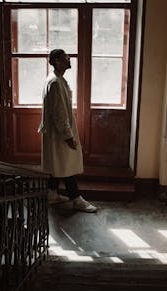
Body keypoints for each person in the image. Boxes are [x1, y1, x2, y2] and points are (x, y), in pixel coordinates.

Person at [38, 49, 97, 213]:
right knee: (66, 165)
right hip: (59, 133)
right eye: (65, 57)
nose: (69, 59)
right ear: (57, 61)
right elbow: (59, 113)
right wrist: (68, 136)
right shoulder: (55, 82)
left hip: (55, 132)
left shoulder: (56, 79)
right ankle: (76, 199)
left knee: (58, 163)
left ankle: (52, 194)